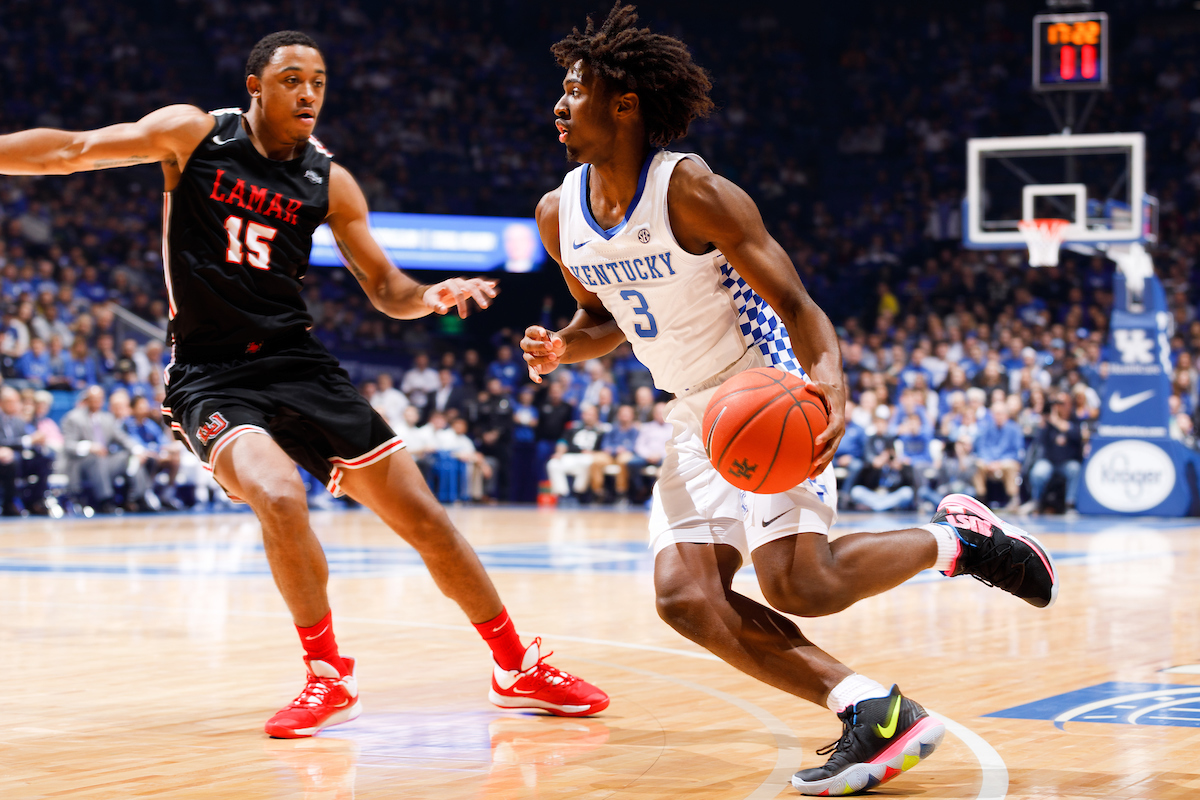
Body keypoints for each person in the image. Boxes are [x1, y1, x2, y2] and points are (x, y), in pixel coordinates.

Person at [0, 30, 606, 737]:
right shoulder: (192, 135)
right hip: (211, 374)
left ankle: (515, 666)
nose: (309, 91)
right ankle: (327, 675)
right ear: (255, 86)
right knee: (280, 494)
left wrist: (429, 298)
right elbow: (71, 150)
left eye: (318, 80)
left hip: (299, 364)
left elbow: (384, 286)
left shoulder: (329, 182)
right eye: (291, 78)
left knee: (428, 521)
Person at [520, 7, 1055, 794]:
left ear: (624, 104)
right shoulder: (557, 214)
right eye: (560, 92)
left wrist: (829, 380)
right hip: (687, 411)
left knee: (803, 585)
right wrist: (566, 344)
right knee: (686, 600)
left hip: (761, 388)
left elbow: (799, 304)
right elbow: (604, 322)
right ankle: (871, 710)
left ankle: (957, 541)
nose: (559, 106)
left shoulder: (694, 190)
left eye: (575, 90)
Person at [1023, 394, 1084, 514]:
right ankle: (1036, 502)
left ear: (1069, 405)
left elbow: (1076, 434)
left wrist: (1056, 421)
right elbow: (1040, 441)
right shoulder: (1048, 422)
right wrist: (1044, 424)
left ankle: (1070, 504)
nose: (1059, 406)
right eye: (1057, 404)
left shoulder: (1074, 418)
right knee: (1039, 472)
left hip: (1066, 462)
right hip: (1050, 461)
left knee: (1075, 469)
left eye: (1062, 403)